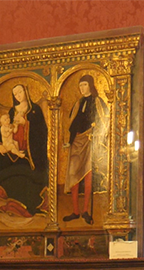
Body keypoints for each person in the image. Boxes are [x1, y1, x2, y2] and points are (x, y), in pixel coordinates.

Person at [0, 83, 49, 217]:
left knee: (24, 171)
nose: (18, 96)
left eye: (20, 92)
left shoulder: (35, 110)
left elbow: (42, 132)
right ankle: (10, 199)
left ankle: (26, 206)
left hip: (30, 153)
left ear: (26, 92)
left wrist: (26, 123)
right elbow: (1, 131)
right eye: (15, 94)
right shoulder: (12, 111)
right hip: (12, 150)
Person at [61, 74, 109, 225]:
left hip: (89, 141)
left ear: (90, 85)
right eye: (80, 85)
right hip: (76, 141)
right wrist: (69, 141)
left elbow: (105, 121)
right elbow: (72, 123)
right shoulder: (78, 103)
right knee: (73, 175)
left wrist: (98, 135)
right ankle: (76, 211)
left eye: (85, 85)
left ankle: (86, 210)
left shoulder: (97, 101)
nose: (82, 88)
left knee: (88, 175)